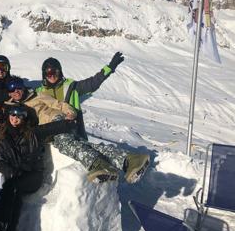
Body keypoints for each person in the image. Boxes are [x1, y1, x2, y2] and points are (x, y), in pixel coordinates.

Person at [36, 56, 150, 184]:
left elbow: (93, 83)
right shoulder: (39, 92)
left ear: (60, 72)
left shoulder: (71, 87)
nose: (51, 76)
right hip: (52, 130)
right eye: (48, 73)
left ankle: (102, 165)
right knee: (88, 147)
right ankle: (129, 159)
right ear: (44, 74)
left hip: (71, 127)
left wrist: (110, 68)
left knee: (70, 145)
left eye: (54, 72)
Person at [0, 105, 76, 231]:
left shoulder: (33, 133)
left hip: (33, 176)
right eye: (12, 116)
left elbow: (52, 128)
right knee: (15, 202)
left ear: (24, 118)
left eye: (19, 117)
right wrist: (10, 172)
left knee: (12, 188)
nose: (15, 119)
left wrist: (67, 122)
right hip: (14, 177)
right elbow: (1, 160)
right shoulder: (2, 134)